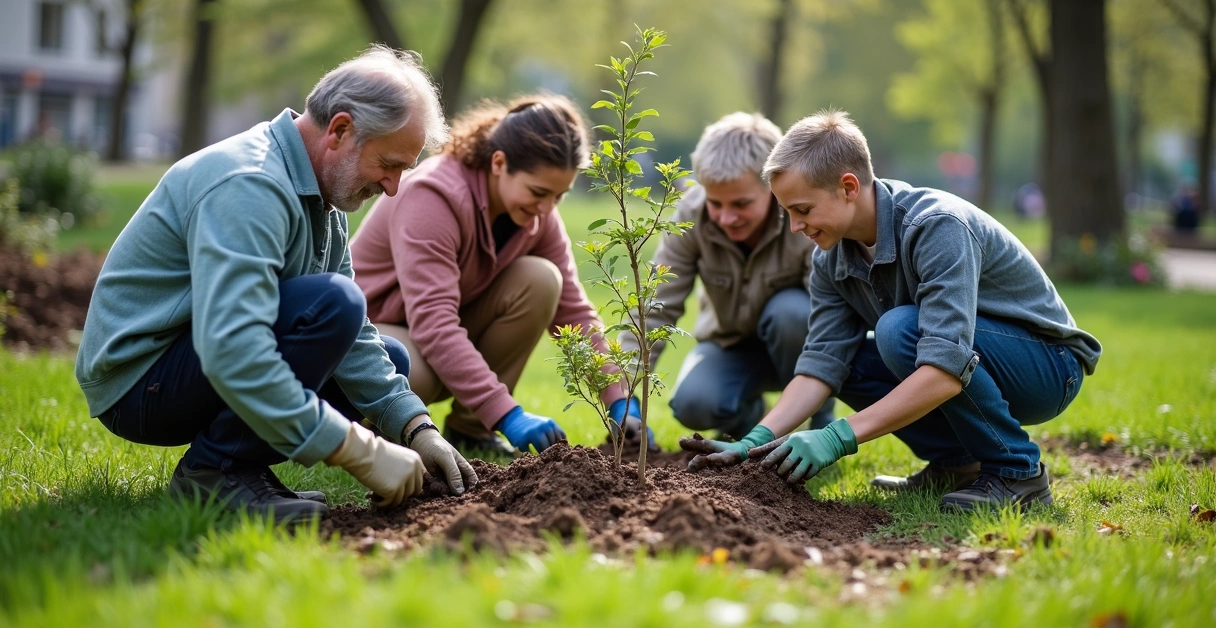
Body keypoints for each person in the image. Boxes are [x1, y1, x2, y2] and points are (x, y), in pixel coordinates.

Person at [75, 46, 478, 524]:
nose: (392, 187)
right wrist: (361, 451)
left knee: (387, 357)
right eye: (389, 164)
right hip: (139, 382)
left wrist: (415, 427)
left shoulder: (324, 193)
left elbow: (357, 340)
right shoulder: (250, 183)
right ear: (341, 130)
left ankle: (240, 468)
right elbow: (232, 349)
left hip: (187, 363)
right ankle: (215, 471)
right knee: (335, 304)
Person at [680, 110, 1102, 511]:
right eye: (787, 213)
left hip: (1048, 367)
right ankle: (956, 464)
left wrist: (837, 436)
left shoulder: (937, 226)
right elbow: (821, 365)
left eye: (802, 210)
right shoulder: (831, 258)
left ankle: (1018, 472)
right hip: (968, 359)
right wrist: (754, 440)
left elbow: (945, 364)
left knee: (899, 330)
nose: (795, 227)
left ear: (848, 187)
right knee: (852, 362)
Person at [349, 94, 631, 455]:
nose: (546, 209)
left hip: (429, 328)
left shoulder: (535, 214)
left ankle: (471, 430)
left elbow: (573, 311)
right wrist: (508, 415)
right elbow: (434, 324)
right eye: (538, 192)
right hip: (372, 333)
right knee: (416, 372)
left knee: (542, 280)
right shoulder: (434, 196)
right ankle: (379, 428)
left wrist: (618, 399)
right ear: (499, 163)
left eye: (558, 197)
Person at [619, 112, 834, 443]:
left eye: (741, 203)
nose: (726, 217)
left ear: (774, 188)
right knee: (693, 404)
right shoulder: (690, 217)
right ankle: (746, 419)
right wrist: (627, 400)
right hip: (729, 346)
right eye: (715, 203)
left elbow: (828, 314)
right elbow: (655, 306)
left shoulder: (804, 220)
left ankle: (818, 420)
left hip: (798, 345)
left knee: (790, 312)